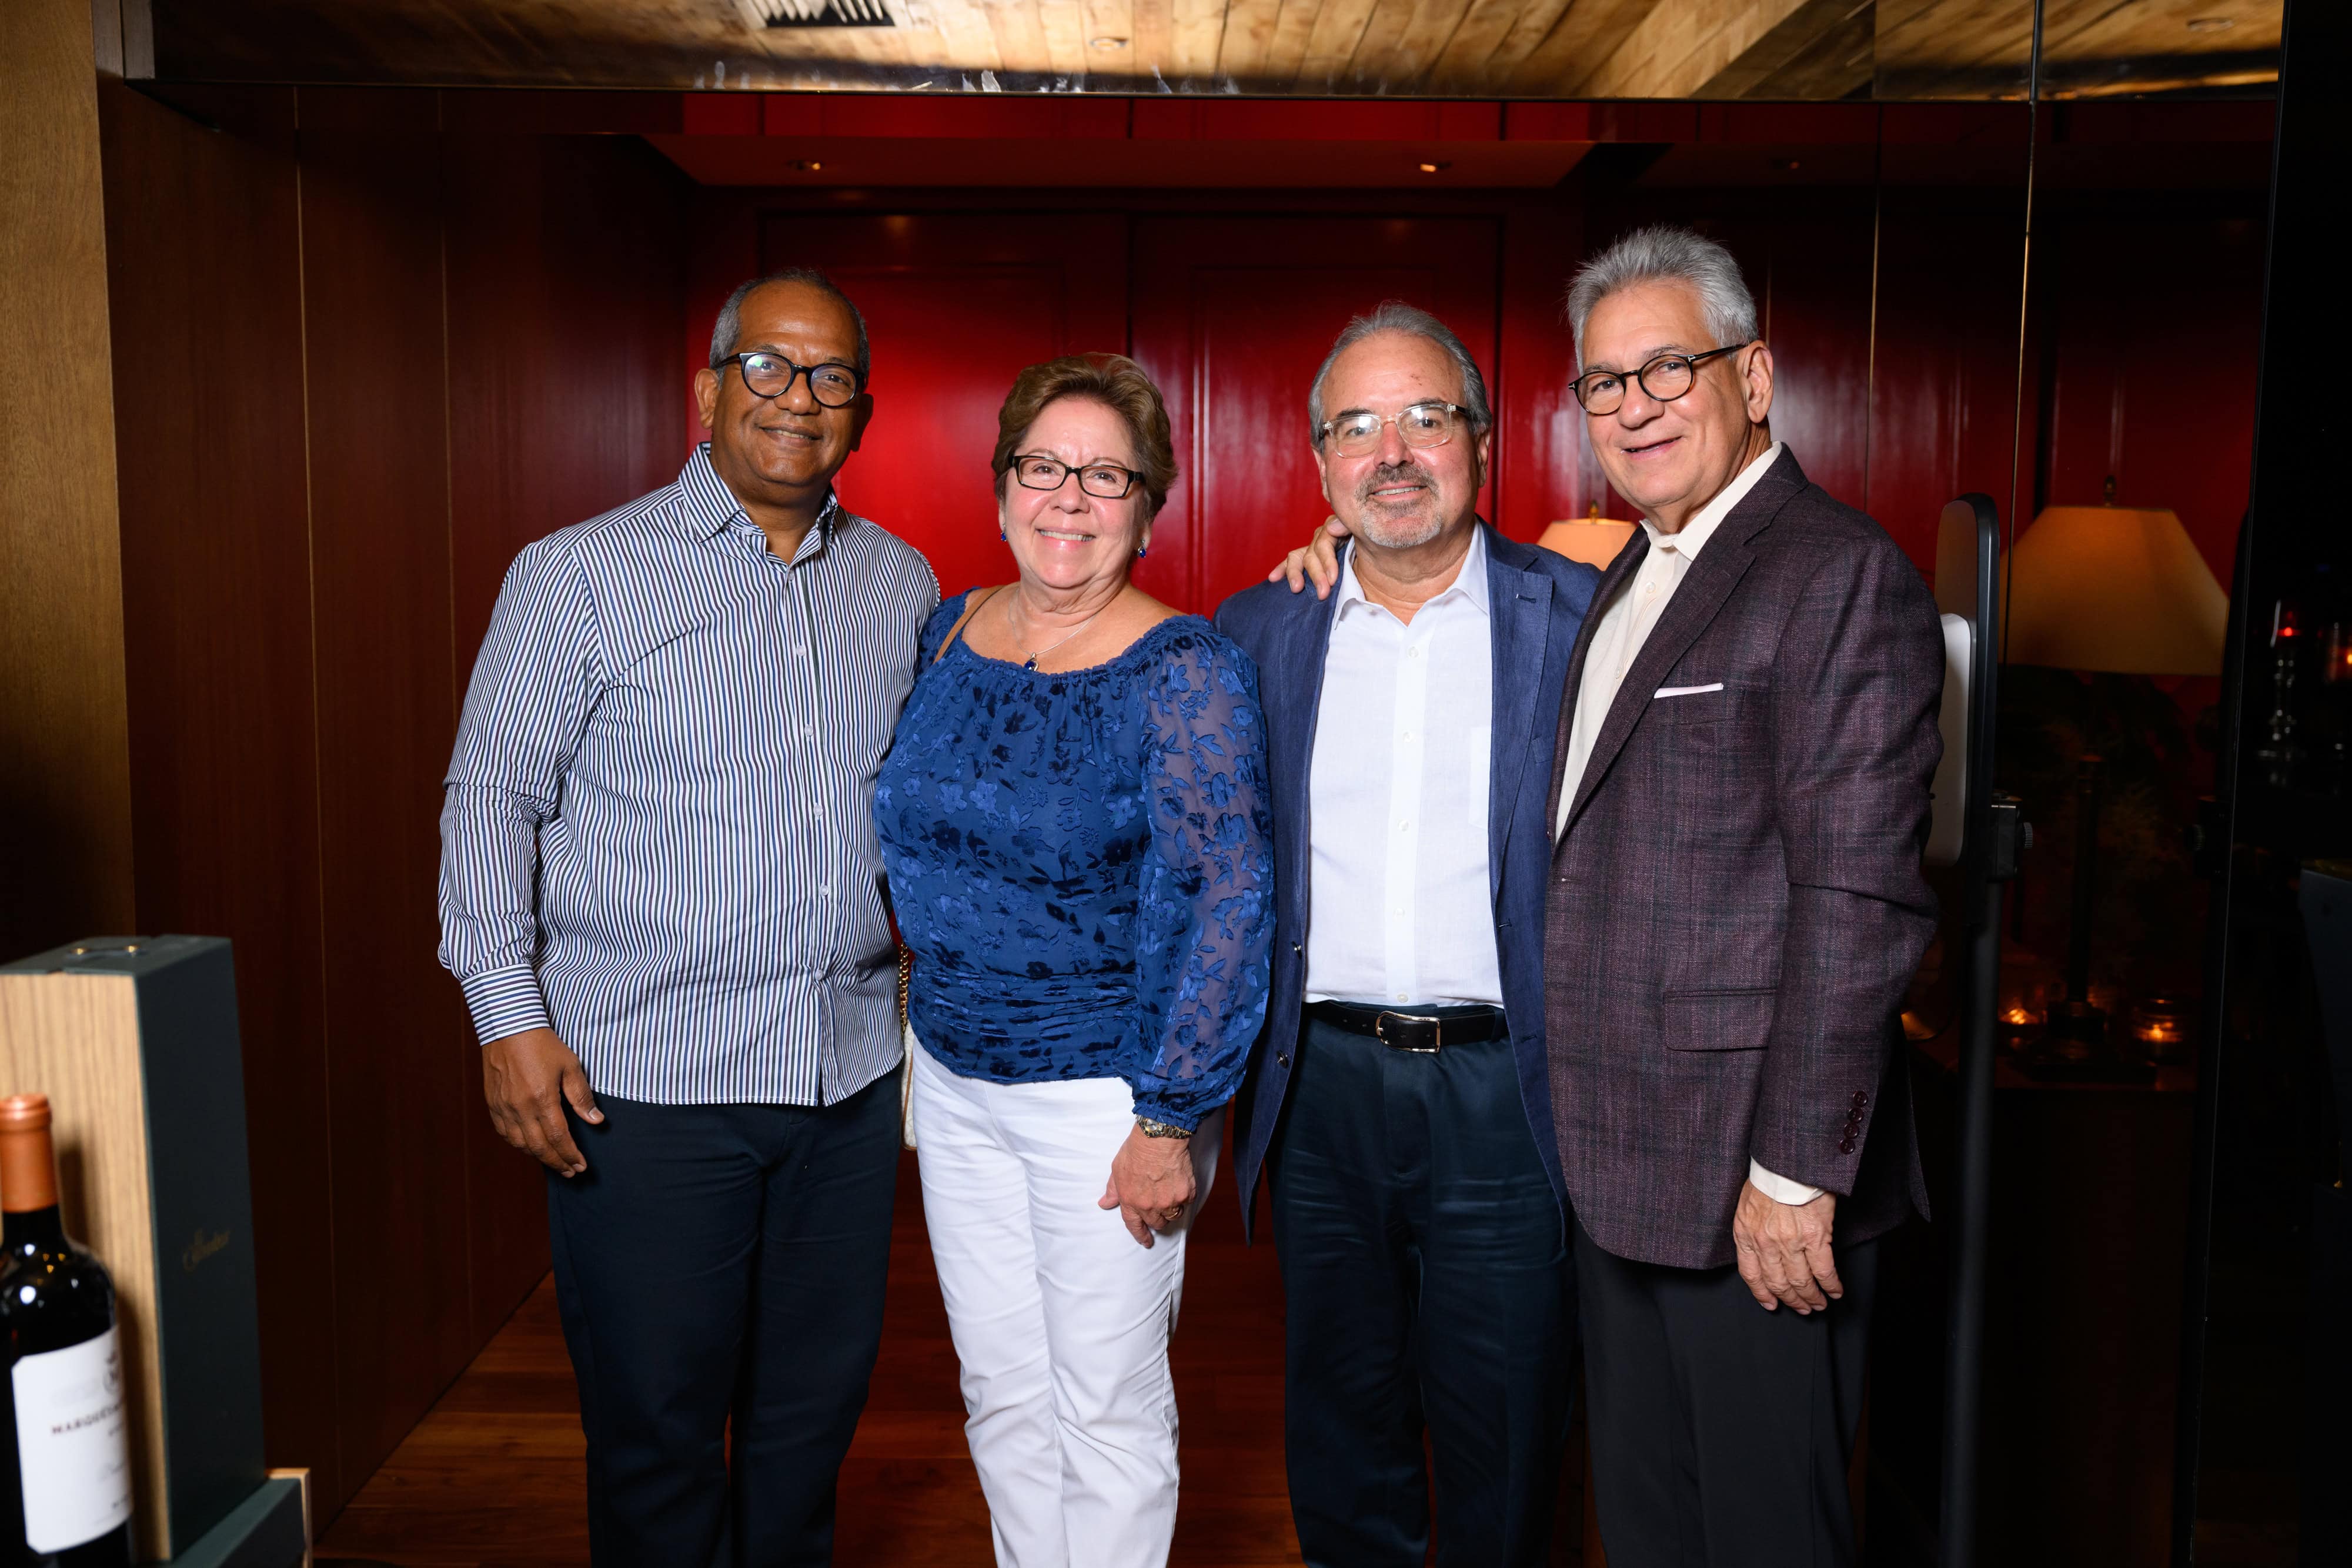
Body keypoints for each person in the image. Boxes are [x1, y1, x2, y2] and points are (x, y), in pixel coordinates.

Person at [437, 268, 937, 1566]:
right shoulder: (576, 576)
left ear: (862, 414)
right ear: (707, 387)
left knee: (805, 1426)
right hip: (643, 1089)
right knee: (657, 1435)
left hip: (843, 1085)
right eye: (767, 366)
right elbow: (490, 796)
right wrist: (506, 1018)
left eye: (830, 378)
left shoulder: (900, 581)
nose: (797, 398)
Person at [874, 353, 1274, 1568]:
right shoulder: (947, 628)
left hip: (1106, 1099)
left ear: (1149, 509)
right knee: (1000, 1391)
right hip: (950, 1079)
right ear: (1001, 486)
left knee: (1104, 1412)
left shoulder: (1184, 670)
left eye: (1108, 475)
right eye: (1044, 466)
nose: (1070, 497)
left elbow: (1229, 893)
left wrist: (1171, 1116)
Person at [1217, 303, 1600, 1567]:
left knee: (1504, 1419)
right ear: (1320, 464)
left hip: (1506, 1084)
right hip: (1317, 1085)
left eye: (1424, 417)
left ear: (1479, 443)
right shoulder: (1259, 630)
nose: (1393, 451)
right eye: (1357, 426)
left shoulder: (1585, 620)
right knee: (1340, 1412)